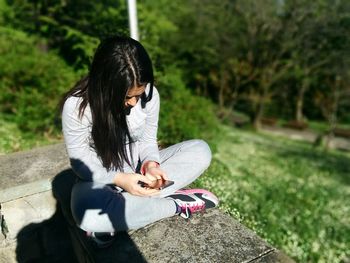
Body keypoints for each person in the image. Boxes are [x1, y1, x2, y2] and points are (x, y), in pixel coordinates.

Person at [61, 36, 219, 246]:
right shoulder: (77, 107)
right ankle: (174, 204)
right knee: (86, 214)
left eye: (139, 93)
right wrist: (120, 180)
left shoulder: (150, 96)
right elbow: (81, 161)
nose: (134, 102)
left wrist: (151, 165)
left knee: (201, 150)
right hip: (101, 182)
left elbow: (147, 140)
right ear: (104, 85)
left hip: (140, 173)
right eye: (126, 97)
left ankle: (122, 212)